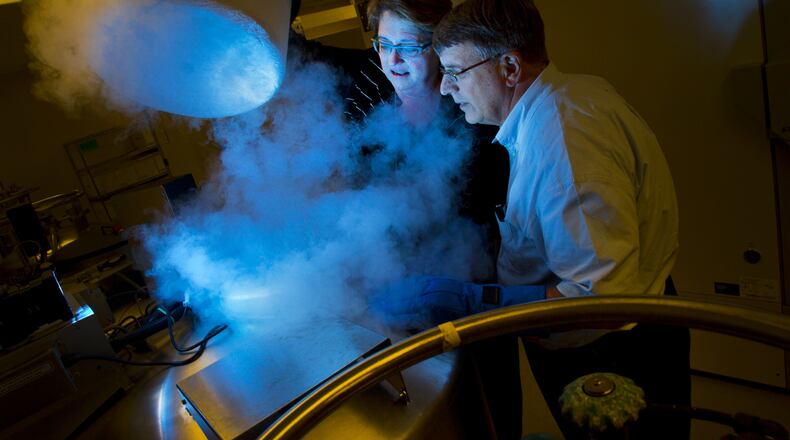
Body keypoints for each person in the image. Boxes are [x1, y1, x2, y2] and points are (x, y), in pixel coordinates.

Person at [376, 0, 690, 438]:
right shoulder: (565, 99)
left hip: (610, 351)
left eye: (457, 72)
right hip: (580, 341)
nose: (446, 88)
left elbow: (602, 304)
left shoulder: (564, 142)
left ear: (508, 67)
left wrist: (474, 302)